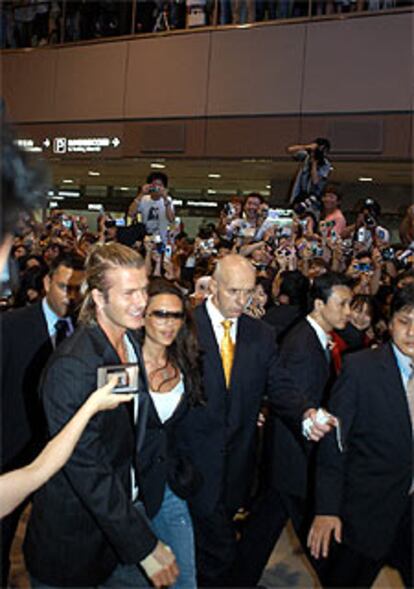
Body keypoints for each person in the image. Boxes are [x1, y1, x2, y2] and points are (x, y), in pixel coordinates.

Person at [23, 243, 178, 589]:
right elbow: (87, 468)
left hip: (121, 517)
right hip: (73, 544)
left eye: (143, 289)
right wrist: (144, 545)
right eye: (129, 293)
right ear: (98, 297)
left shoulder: (133, 343)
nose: (142, 302)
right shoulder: (73, 366)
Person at [175, 254, 335, 587]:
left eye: (249, 292)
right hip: (188, 464)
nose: (242, 301)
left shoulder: (261, 334)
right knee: (213, 556)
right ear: (213, 288)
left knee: (211, 553)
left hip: (236, 467)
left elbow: (279, 382)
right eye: (234, 291)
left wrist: (305, 412)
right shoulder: (183, 327)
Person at [234, 272, 352, 586]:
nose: (348, 311)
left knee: (261, 533)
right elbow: (295, 406)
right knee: (319, 541)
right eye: (342, 304)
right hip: (294, 460)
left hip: (287, 463)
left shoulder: (312, 338)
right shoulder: (302, 344)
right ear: (318, 304)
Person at [308, 284, 414, 588]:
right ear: (390, 322)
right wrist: (327, 509)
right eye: (405, 321)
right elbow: (334, 442)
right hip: (367, 510)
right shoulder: (360, 369)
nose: (411, 332)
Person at [0, 252, 85, 584]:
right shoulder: (9, 327)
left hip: (65, 458)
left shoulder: (87, 329)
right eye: (64, 286)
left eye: (78, 289)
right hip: (12, 454)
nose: (71, 296)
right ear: (48, 282)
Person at [140, 278, 204, 588]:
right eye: (160, 314)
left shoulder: (185, 363)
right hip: (127, 490)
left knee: (185, 578)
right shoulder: (122, 362)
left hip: (169, 486)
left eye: (176, 316)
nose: (169, 324)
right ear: (143, 315)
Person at [127, 171, 175, 244]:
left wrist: (165, 199)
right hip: (146, 239)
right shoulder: (143, 199)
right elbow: (130, 213)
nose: (156, 188)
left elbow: (171, 219)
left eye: (160, 185)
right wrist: (141, 193)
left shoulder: (168, 200)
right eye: (154, 185)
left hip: (162, 239)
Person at [288, 138, 332, 213]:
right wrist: (307, 147)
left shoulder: (326, 165)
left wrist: (314, 163)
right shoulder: (306, 157)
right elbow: (290, 150)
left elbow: (315, 181)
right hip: (298, 195)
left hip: (312, 201)